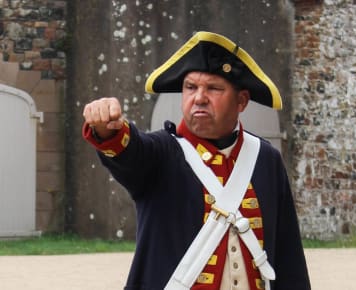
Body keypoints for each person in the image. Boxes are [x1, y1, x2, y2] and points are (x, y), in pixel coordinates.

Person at [82, 31, 311, 290]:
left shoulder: (265, 158)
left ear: (242, 101)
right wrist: (108, 129)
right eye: (191, 87)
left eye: (213, 88)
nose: (199, 97)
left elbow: (288, 258)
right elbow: (130, 151)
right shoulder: (161, 153)